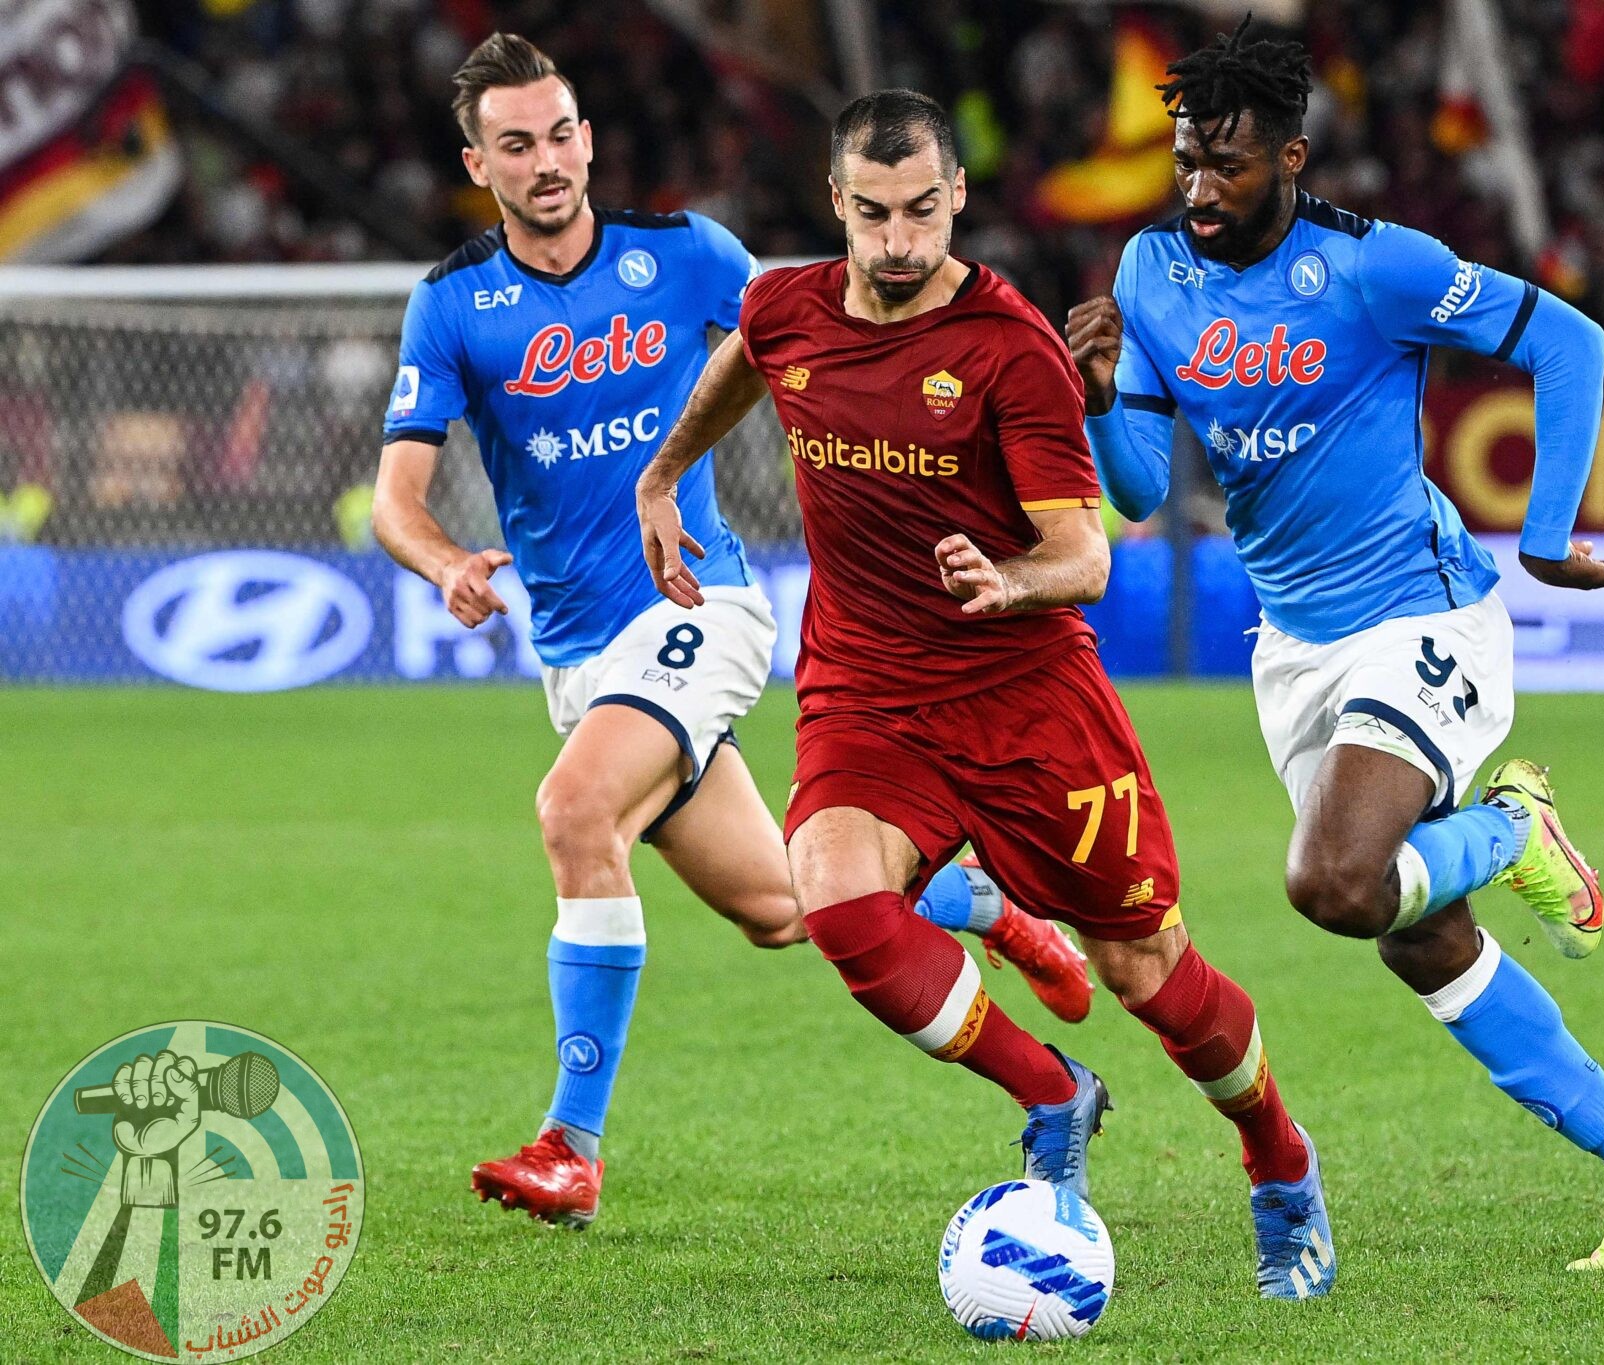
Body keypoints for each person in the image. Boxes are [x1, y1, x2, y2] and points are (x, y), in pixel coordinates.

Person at [372, 35, 1089, 1230]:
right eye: (515, 145)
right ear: (476, 162)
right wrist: (447, 559)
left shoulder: (687, 256)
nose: (545, 162)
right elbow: (399, 493)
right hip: (578, 654)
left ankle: (571, 1143)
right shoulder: (453, 304)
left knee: (572, 811)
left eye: (559, 134)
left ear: (587, 139)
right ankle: (982, 906)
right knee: (783, 910)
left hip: (697, 611)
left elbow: (833, 325)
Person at [635, 89, 1335, 1300]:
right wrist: (662, 475)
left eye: (919, 212)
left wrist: (1008, 580)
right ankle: (1051, 1093)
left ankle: (1278, 1161)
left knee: (1148, 977)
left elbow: (1087, 555)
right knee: (835, 900)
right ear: (836, 204)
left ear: (955, 197)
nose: (897, 241)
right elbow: (745, 359)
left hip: (1026, 703)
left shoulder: (1007, 349)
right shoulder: (786, 305)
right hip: (866, 688)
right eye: (871, 214)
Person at [1068, 20, 1604, 1272]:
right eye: (1186, 160)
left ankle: (1515, 829)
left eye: (1230, 165)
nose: (1199, 188)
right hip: (1295, 652)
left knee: (1332, 884)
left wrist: (1542, 537)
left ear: (1294, 158)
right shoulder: (1150, 272)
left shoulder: (1375, 270)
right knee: (1416, 934)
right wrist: (1098, 404)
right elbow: (1142, 489)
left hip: (1423, 619)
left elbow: (1566, 340)